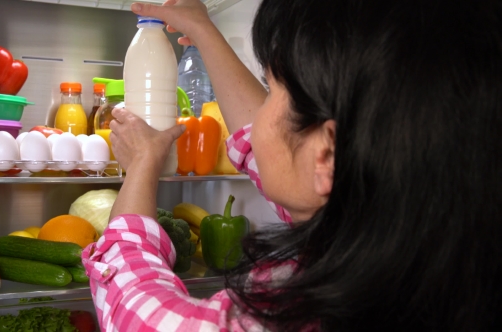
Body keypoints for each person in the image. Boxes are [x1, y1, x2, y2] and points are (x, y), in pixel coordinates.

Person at [82, 0, 502, 331]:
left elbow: (140, 315)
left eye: (271, 88)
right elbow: (277, 154)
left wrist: (141, 165)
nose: (259, 113)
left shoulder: (297, 317)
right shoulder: (409, 246)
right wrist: (204, 31)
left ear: (327, 155)